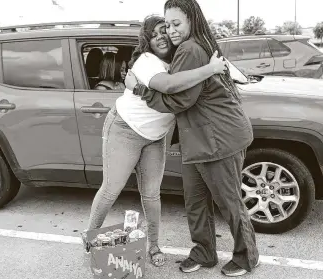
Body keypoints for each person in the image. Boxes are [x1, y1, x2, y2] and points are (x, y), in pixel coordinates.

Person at [125, 0, 260, 276]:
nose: (172, 31)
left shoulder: (190, 49)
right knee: (195, 201)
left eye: (177, 24)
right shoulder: (187, 49)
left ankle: (248, 257)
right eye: (167, 25)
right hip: (198, 140)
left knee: (229, 201)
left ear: (192, 21)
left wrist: (140, 90)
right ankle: (204, 253)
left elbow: (180, 100)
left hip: (218, 139)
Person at [86, 14, 229, 268]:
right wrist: (211, 68)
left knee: (151, 194)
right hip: (125, 128)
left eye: (164, 31)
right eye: (153, 35)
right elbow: (169, 86)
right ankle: (90, 239)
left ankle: (153, 245)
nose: (160, 37)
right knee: (111, 189)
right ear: (147, 41)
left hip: (156, 136)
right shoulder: (145, 61)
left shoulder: (181, 58)